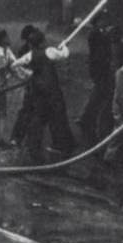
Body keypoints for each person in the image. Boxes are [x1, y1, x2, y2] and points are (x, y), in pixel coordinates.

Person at [14, 28, 76, 161]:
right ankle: (61, 145)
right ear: (42, 42)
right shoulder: (50, 51)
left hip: (39, 94)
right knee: (58, 118)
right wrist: (65, 46)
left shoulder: (30, 55)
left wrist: (27, 74)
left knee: (39, 119)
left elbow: (15, 64)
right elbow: (64, 55)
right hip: (53, 93)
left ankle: (34, 147)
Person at [77, 17, 115, 143]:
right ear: (97, 21)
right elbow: (102, 48)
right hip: (99, 68)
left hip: (99, 68)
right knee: (100, 93)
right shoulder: (95, 33)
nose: (104, 22)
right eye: (102, 20)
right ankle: (88, 119)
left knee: (97, 92)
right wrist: (107, 34)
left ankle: (86, 117)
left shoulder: (98, 32)